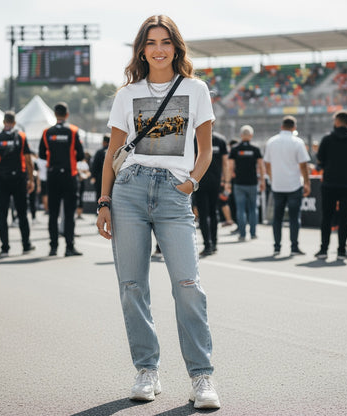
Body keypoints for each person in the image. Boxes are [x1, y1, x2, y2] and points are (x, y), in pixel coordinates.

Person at [96, 15, 220, 409]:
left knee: (188, 285)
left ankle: (202, 377)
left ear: (176, 46)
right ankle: (147, 370)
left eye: (165, 41)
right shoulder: (127, 94)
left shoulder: (196, 88)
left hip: (173, 192)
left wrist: (191, 183)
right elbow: (112, 153)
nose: (159, 48)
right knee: (132, 286)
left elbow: (206, 149)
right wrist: (104, 200)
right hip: (129, 191)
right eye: (151, 42)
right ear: (142, 49)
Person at [315, 111, 347, 260]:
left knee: (327, 217)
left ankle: (324, 249)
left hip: (330, 184)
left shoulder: (326, 140)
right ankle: (342, 251)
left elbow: (320, 162)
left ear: (336, 122)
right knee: (345, 218)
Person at [0, 111, 35, 257]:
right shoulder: (22, 136)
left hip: (2, 180)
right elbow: (28, 160)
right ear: (14, 122)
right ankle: (26, 245)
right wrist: (31, 180)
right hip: (19, 179)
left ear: (3, 122)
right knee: (22, 213)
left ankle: (4, 248)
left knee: (2, 214)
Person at [39, 102, 85, 257]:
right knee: (69, 214)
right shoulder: (73, 131)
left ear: (54, 114)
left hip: (53, 176)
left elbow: (41, 154)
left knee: (53, 214)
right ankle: (69, 247)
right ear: (67, 114)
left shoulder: (47, 132)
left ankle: (53, 247)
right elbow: (80, 155)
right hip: (69, 176)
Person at [264, 115, 311, 256]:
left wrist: (272, 178)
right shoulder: (297, 142)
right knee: (294, 218)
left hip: (277, 185)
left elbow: (267, 163)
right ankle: (294, 247)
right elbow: (303, 165)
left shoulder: (271, 142)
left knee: (277, 218)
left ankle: (277, 247)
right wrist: (307, 182)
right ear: (294, 127)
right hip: (294, 185)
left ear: (281, 126)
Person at [194, 130, 230, 255]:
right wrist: (226, 181)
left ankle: (208, 244)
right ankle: (214, 243)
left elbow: (192, 160)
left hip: (200, 181)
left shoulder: (196, 138)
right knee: (214, 212)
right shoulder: (221, 140)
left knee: (203, 214)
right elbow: (225, 163)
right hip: (216, 182)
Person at [229, 125, 265, 241]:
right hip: (252, 183)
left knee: (240, 209)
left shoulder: (235, 149)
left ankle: (242, 234)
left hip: (239, 183)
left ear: (241, 135)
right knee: (253, 208)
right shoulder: (255, 149)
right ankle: (253, 233)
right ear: (251, 136)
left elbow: (230, 168)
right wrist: (263, 180)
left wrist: (228, 182)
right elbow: (261, 166)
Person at [90, 135, 110, 203]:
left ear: (104, 142)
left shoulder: (99, 152)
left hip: (100, 177)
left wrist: (93, 176)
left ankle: (99, 210)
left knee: (99, 194)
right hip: (111, 177)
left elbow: (94, 165)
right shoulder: (112, 152)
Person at [76, 155, 91, 219]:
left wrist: (83, 175)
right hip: (76, 181)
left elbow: (88, 173)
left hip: (81, 182)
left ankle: (79, 214)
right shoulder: (77, 163)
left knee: (80, 198)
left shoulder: (84, 164)